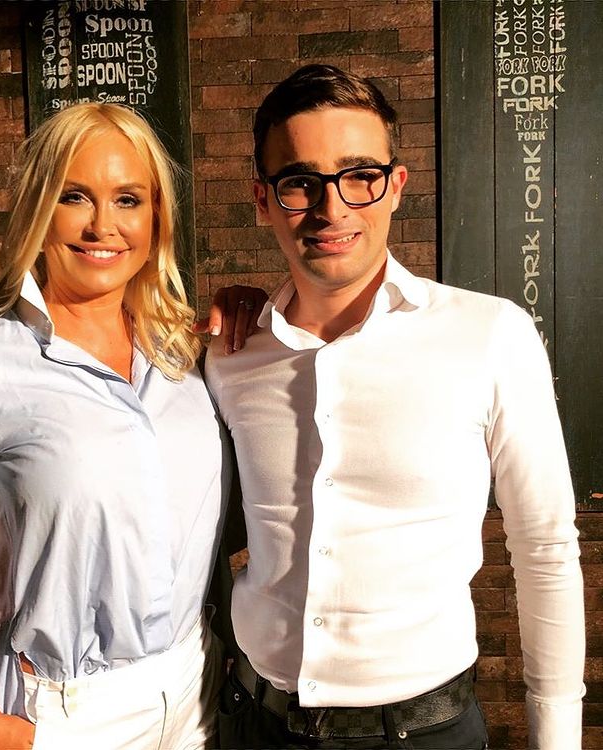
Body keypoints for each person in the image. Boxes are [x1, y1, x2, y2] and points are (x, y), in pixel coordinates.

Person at [205, 64, 585, 750]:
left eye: (360, 175)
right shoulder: (228, 353)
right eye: (301, 182)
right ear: (264, 200)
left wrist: (556, 737)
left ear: (396, 185)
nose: (332, 208)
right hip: (254, 723)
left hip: (423, 733)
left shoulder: (490, 335)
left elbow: (546, 548)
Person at [0, 101, 263, 750]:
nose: (102, 225)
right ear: (39, 206)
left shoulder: (185, 353)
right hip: (63, 711)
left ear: (156, 218)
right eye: (74, 196)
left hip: (192, 692)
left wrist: (247, 307)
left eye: (127, 200)